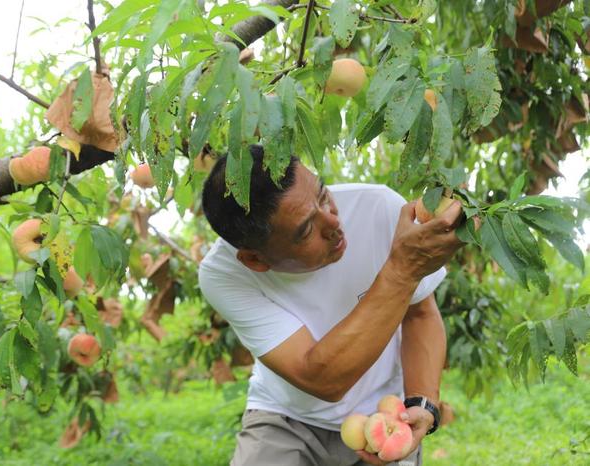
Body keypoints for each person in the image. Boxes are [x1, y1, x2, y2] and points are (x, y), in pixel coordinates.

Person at [198, 145, 464, 466]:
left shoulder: (379, 206)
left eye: (323, 195)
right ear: (255, 259)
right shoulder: (222, 274)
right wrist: (402, 269)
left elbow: (420, 312)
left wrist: (422, 403)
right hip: (287, 418)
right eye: (307, 229)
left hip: (384, 413)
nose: (334, 222)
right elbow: (322, 379)